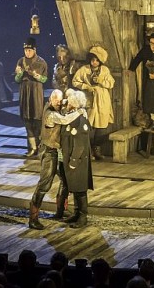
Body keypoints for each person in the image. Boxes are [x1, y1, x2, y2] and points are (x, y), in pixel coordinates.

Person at [27, 89, 85, 230]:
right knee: (45, 184)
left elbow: (66, 102)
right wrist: (80, 111)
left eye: (60, 100)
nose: (59, 103)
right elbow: (64, 120)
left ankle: (60, 211)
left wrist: (71, 101)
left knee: (65, 180)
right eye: (56, 101)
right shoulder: (50, 114)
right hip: (49, 151)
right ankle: (33, 218)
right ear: (50, 100)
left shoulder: (57, 105)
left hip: (58, 151)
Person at [72, 44, 115, 161]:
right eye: (92, 60)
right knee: (88, 125)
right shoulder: (84, 69)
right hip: (90, 99)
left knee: (101, 126)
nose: (94, 62)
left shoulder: (105, 70)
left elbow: (111, 83)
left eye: (97, 60)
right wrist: (86, 86)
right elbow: (75, 81)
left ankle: (97, 149)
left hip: (102, 100)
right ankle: (88, 151)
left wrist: (101, 81)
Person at [60, 89, 94, 228]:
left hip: (78, 160)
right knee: (74, 186)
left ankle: (83, 216)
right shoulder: (73, 116)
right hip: (71, 158)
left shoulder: (79, 120)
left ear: (74, 104)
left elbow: (79, 144)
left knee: (80, 189)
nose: (67, 104)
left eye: (69, 102)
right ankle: (76, 212)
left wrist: (73, 160)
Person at [14, 37, 49, 157]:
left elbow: (45, 79)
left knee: (37, 120)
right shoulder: (21, 61)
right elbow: (16, 80)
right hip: (25, 92)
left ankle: (40, 148)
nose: (27, 52)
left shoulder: (41, 62)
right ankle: (32, 148)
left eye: (29, 50)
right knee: (27, 120)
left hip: (36, 92)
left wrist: (37, 76)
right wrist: (19, 74)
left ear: (34, 50)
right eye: (25, 50)